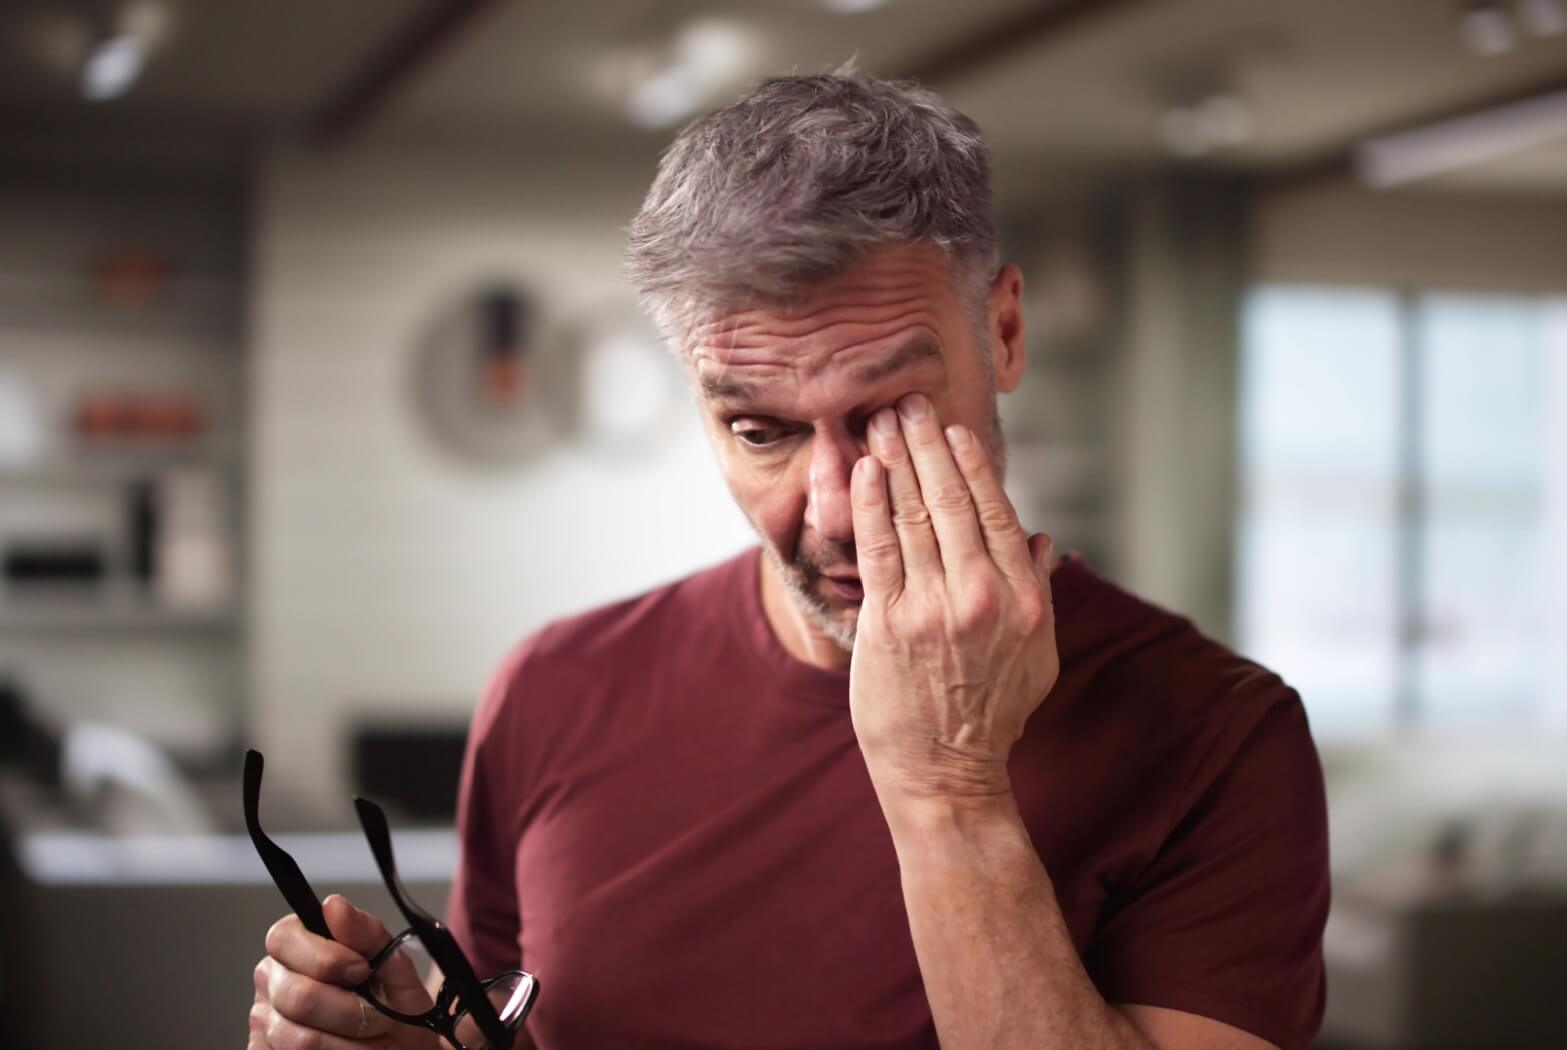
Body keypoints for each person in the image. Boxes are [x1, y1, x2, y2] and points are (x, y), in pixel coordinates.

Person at [249, 71, 1329, 1050]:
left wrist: (948, 792)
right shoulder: (551, 688)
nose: (834, 507)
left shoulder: (1220, 736)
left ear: (1001, 333)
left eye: (890, 411)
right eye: (761, 430)